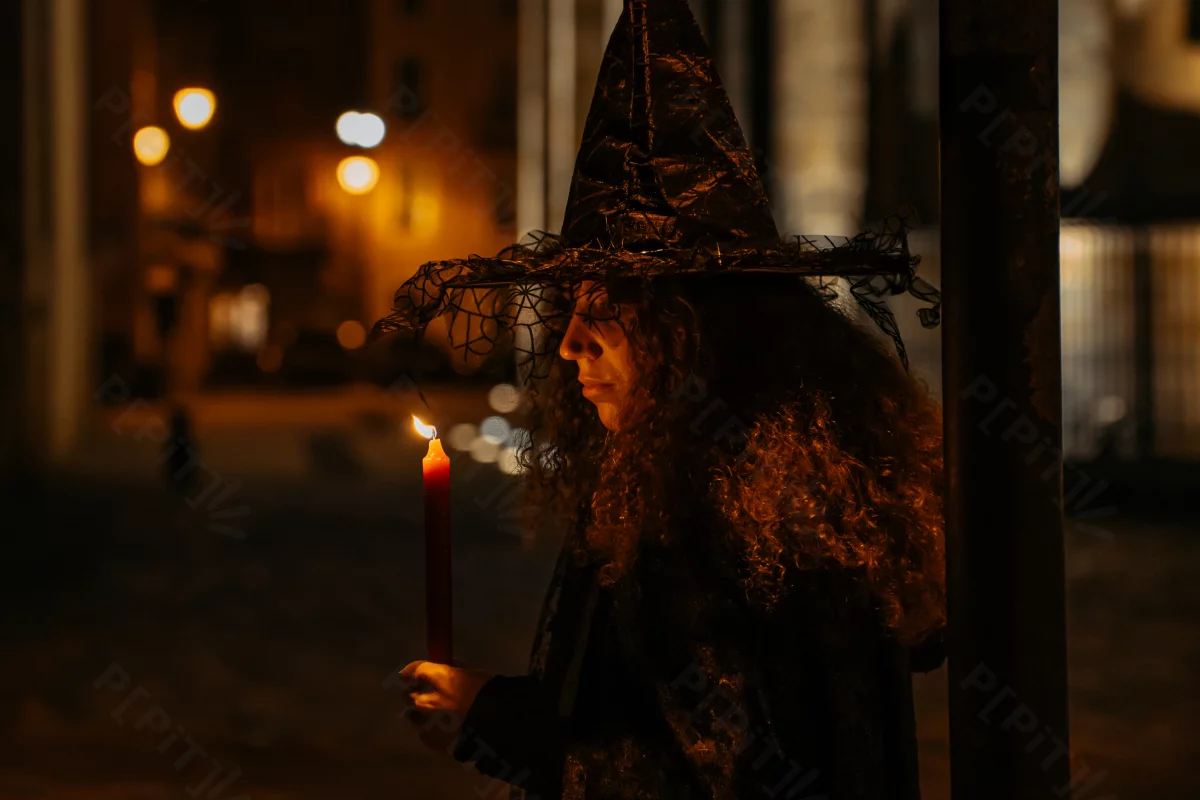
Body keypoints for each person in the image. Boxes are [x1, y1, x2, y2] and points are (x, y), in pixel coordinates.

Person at [377, 2, 945, 797]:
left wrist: (490, 720)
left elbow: (702, 776)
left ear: (695, 330)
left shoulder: (722, 516)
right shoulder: (739, 481)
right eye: (571, 306)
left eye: (608, 309)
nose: (570, 343)